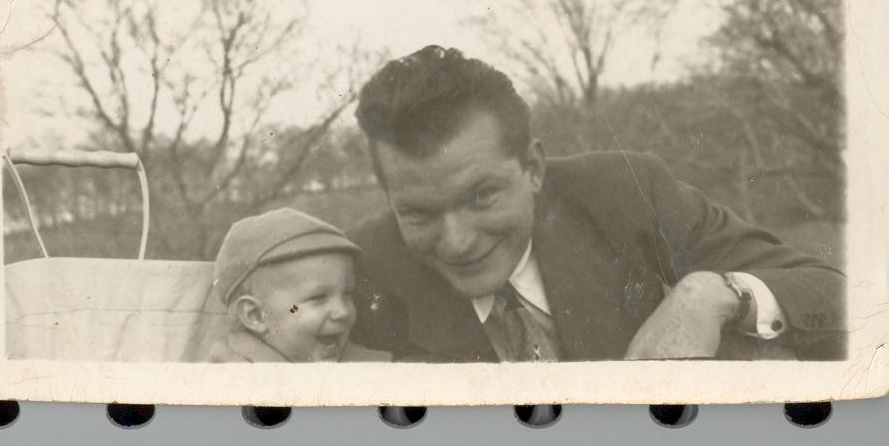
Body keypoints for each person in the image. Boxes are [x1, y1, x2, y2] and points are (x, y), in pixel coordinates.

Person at [347, 45, 846, 362]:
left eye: (481, 196)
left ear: (533, 168)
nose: (457, 242)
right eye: (418, 213)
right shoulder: (358, 266)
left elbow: (832, 290)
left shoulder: (624, 191)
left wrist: (711, 295)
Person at [209, 207, 389, 363]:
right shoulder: (235, 379)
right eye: (318, 297)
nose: (343, 311)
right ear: (255, 315)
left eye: (347, 294)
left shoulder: (369, 367)